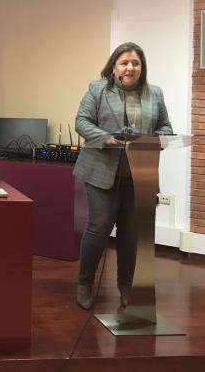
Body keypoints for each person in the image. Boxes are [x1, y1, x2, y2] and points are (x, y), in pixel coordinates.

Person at [73, 42, 172, 310]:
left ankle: (126, 285)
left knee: (130, 234)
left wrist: (154, 139)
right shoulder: (98, 89)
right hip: (101, 169)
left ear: (142, 67)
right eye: (125, 63)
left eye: (136, 63)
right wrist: (107, 138)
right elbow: (81, 121)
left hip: (140, 172)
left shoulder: (155, 94)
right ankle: (84, 282)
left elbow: (165, 126)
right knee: (99, 227)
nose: (130, 68)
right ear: (114, 67)